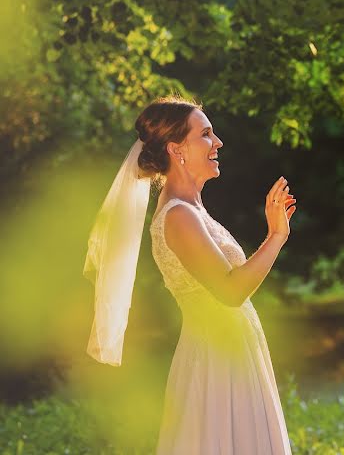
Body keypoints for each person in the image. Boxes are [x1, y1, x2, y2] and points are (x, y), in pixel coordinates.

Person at [84, 96, 296, 455]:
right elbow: (230, 292)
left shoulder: (195, 210)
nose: (218, 143)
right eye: (206, 135)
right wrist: (276, 236)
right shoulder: (178, 216)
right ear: (176, 149)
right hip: (215, 362)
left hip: (235, 352)